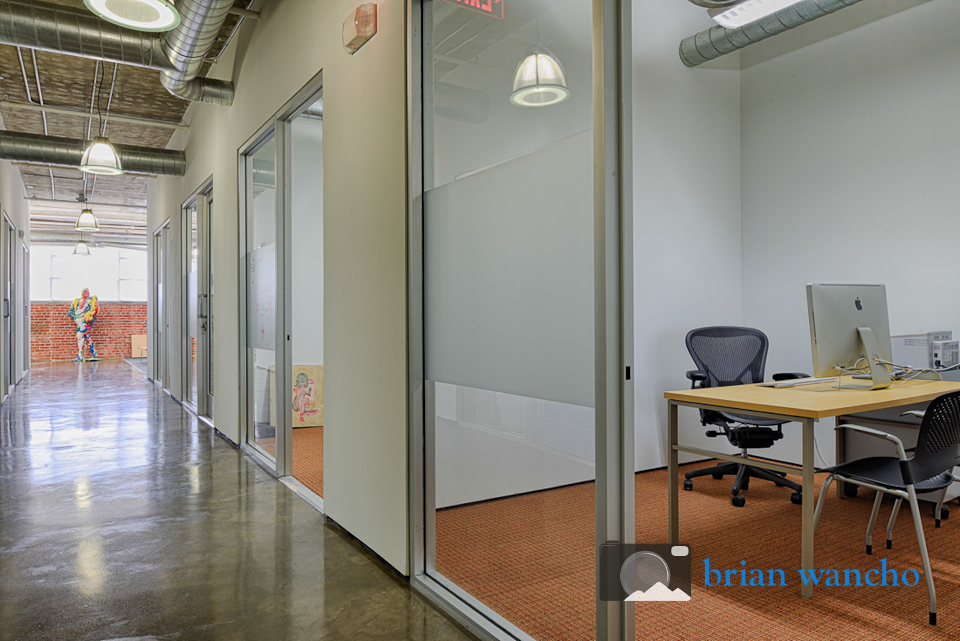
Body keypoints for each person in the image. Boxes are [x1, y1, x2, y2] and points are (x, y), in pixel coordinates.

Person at [67, 288, 100, 362]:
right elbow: (70, 311)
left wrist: (87, 318)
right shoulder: (77, 301)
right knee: (86, 337)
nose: (85, 293)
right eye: (84, 291)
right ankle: (92, 353)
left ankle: (81, 355)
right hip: (78, 321)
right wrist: (74, 317)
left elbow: (94, 310)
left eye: (87, 292)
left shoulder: (92, 300)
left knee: (80, 336)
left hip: (85, 321)